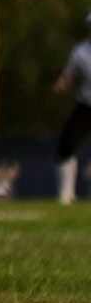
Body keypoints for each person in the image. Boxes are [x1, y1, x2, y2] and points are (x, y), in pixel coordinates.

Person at [54, 14, 91, 204]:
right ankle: (66, 194)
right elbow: (70, 74)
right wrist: (63, 83)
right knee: (66, 145)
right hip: (86, 106)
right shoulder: (80, 52)